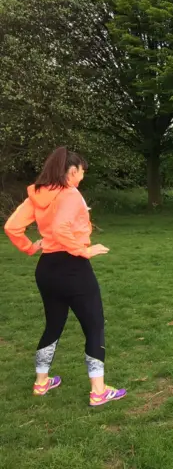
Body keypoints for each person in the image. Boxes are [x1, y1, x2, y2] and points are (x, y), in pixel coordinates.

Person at [4, 146, 126, 406]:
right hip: (74, 268)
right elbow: (61, 228)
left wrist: (29, 246)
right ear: (72, 171)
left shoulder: (38, 194)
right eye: (81, 172)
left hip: (47, 269)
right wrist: (83, 250)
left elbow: (12, 226)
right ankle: (98, 391)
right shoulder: (71, 194)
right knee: (94, 326)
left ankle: (41, 383)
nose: (82, 177)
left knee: (53, 324)